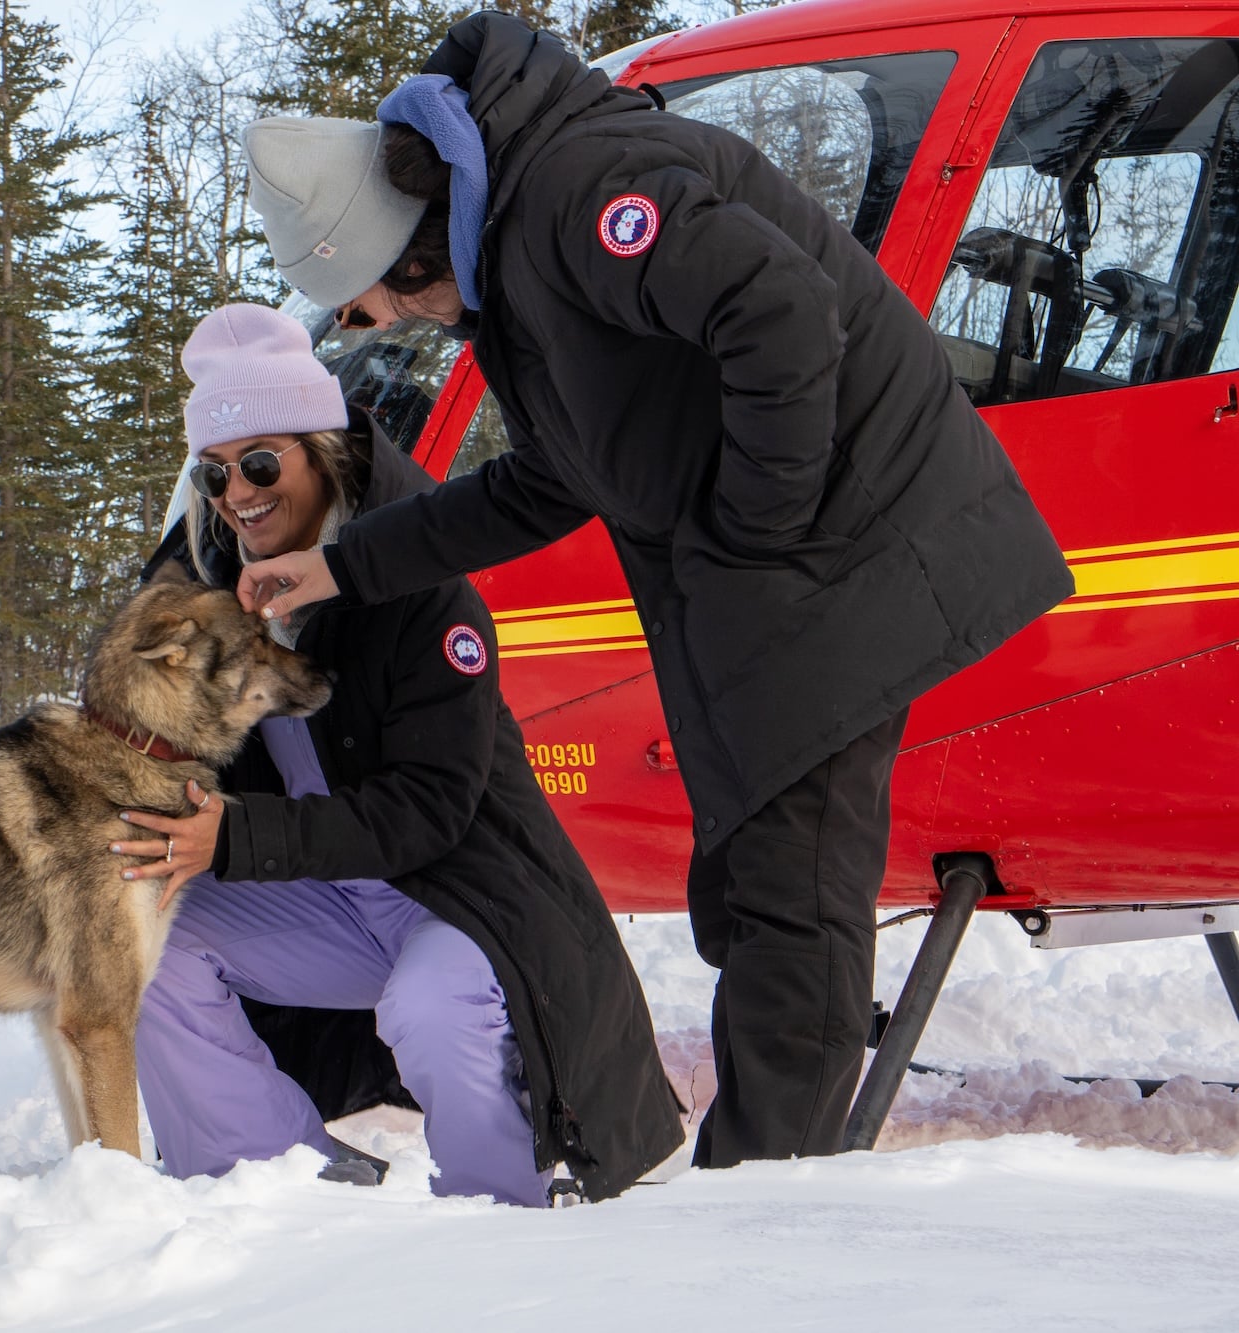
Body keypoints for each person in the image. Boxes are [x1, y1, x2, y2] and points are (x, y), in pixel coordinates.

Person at [230, 13, 1075, 1169]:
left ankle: (762, 1205)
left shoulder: (580, 188)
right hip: (780, 580)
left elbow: (779, 312)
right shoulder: (517, 267)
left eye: (361, 306)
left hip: (845, 560)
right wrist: (338, 565)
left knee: (785, 892)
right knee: (742, 880)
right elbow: (550, 482)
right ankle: (756, 1189)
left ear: (404, 257)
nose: (376, 328)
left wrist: (758, 529)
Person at [107, 302, 682, 1205]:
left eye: (261, 463)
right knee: (137, 939)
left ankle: (503, 1211)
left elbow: (430, 808)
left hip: (459, 897)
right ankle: (282, 1186)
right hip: (328, 902)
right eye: (214, 472)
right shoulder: (210, 584)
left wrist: (237, 834)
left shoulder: (424, 585)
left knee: (432, 1004)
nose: (237, 492)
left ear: (323, 451)